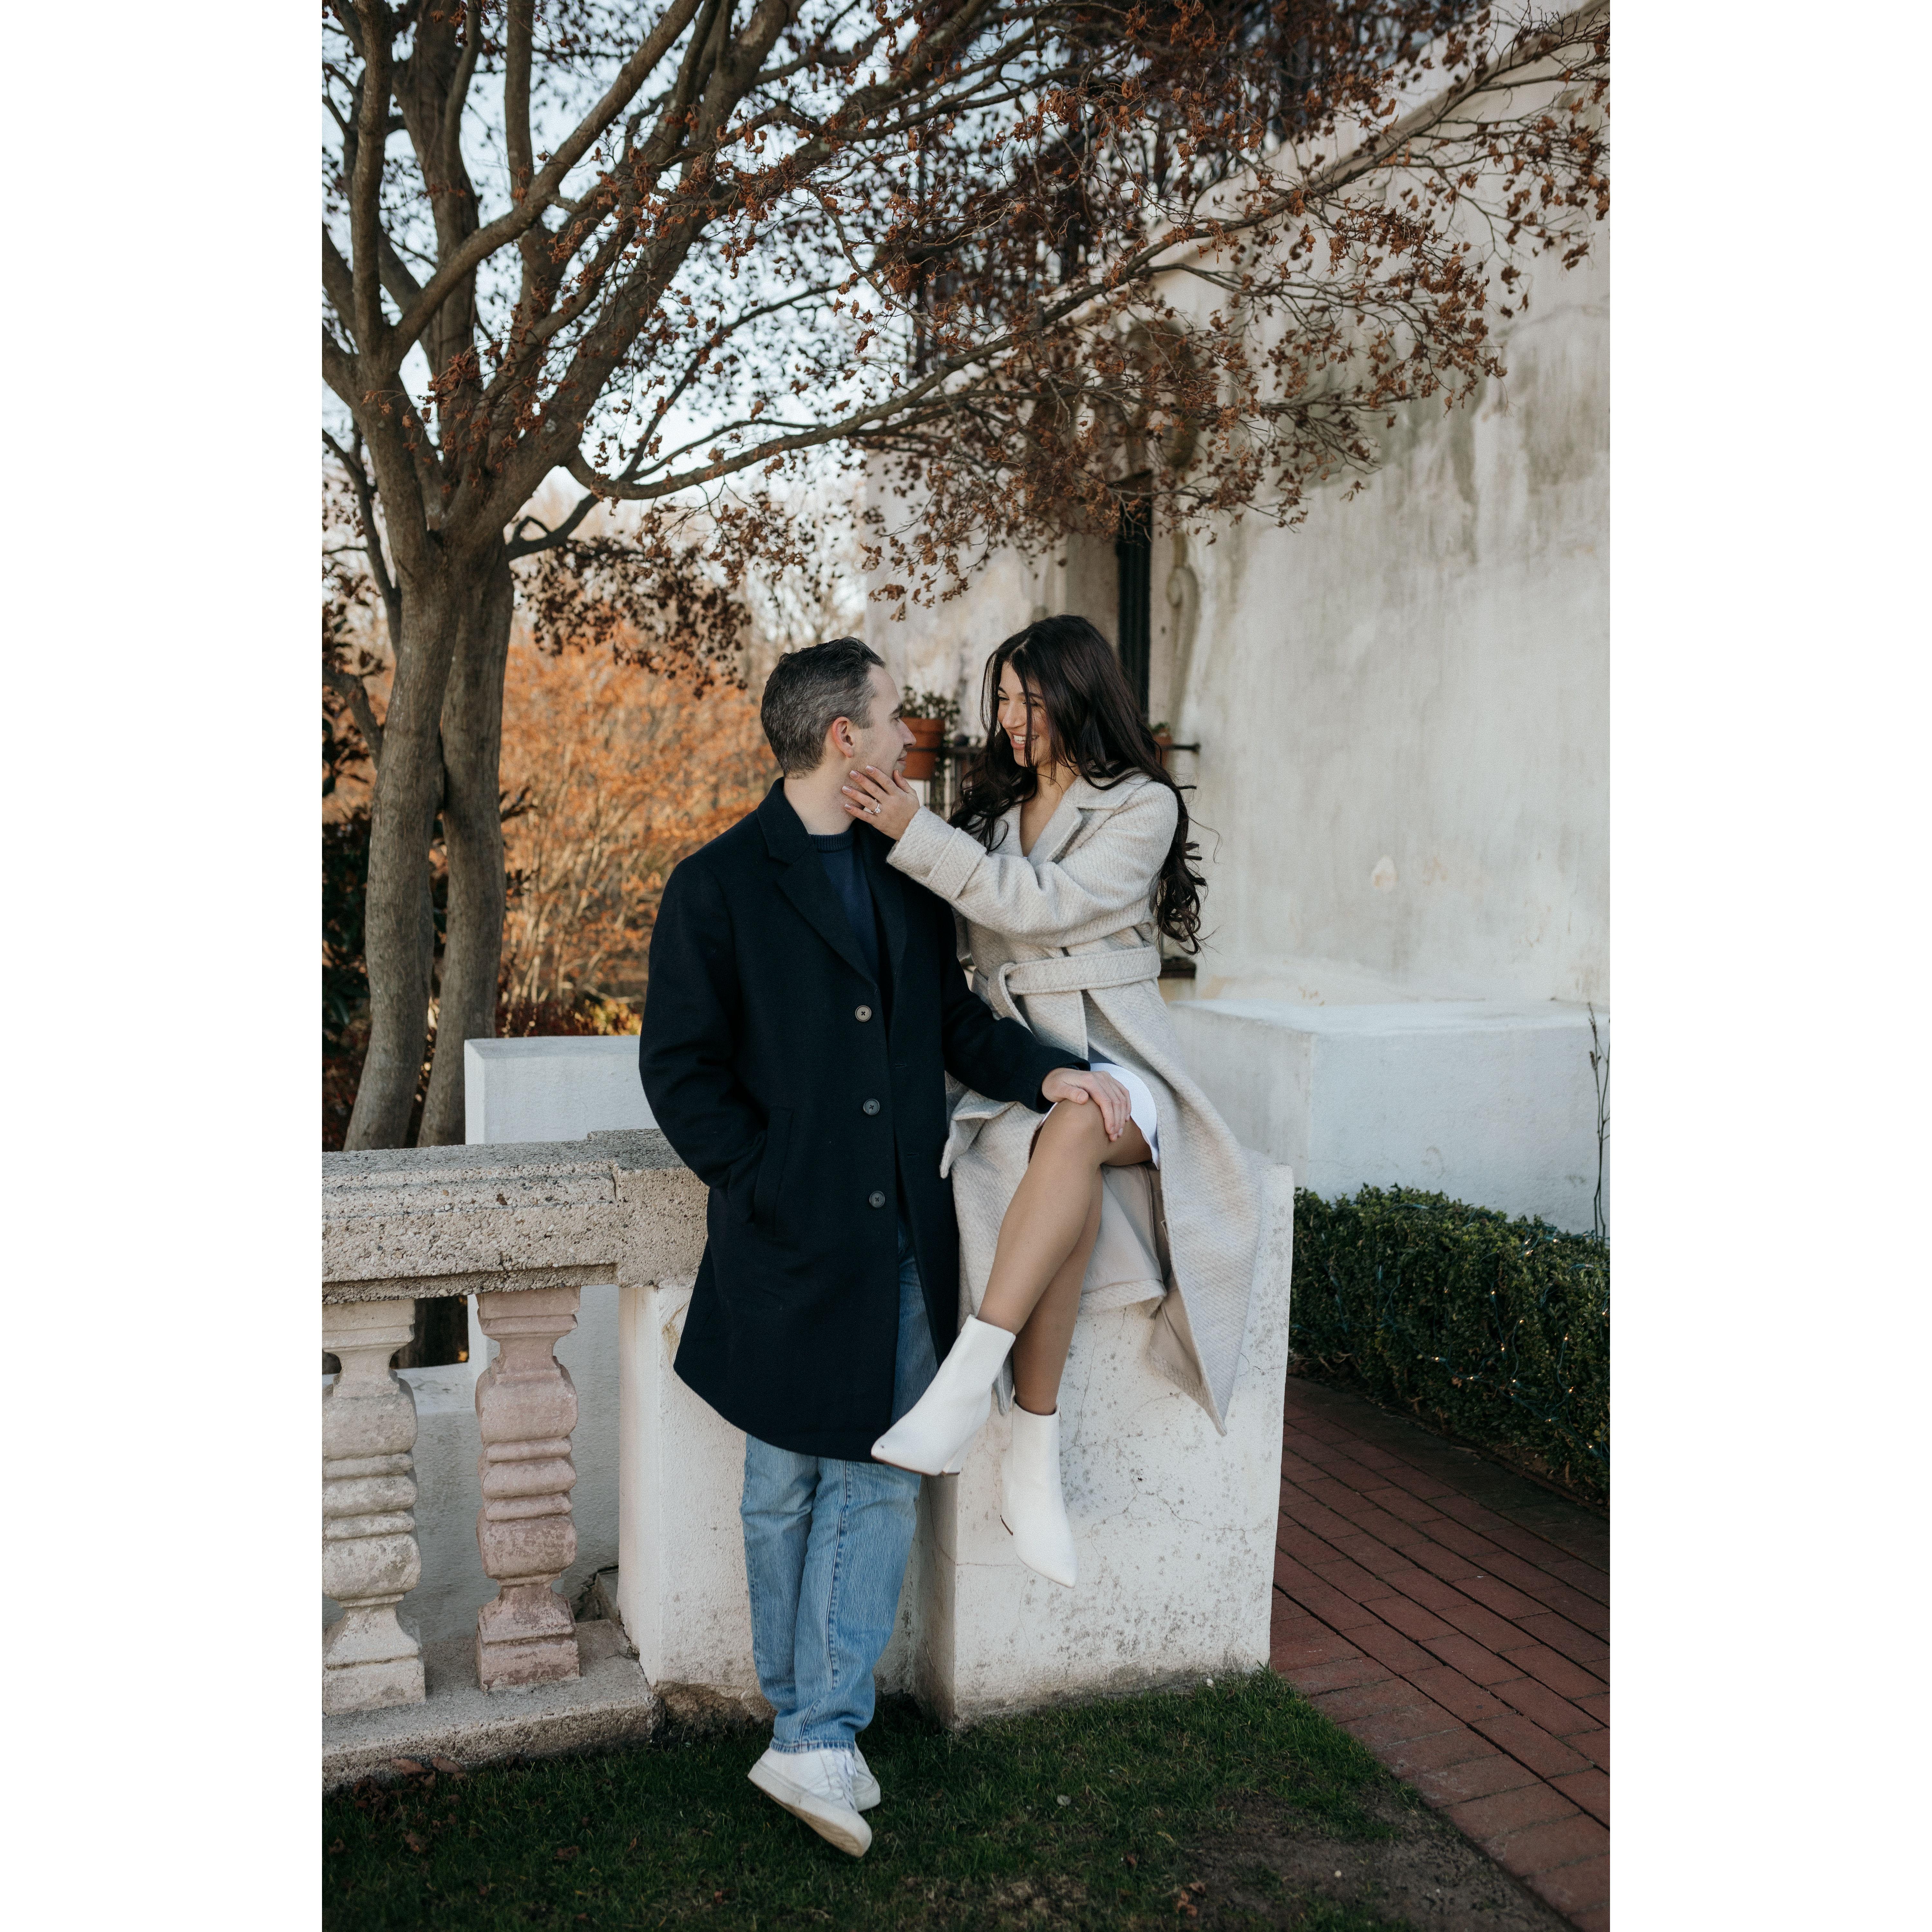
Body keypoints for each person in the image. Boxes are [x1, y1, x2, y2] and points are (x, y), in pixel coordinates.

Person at [639, 637, 1120, 1859]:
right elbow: (681, 1072)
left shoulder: (905, 865)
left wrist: (1051, 1076)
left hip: (903, 1228)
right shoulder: (715, 885)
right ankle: (800, 1723)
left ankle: (822, 1733)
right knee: (779, 1486)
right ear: (842, 736)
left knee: (878, 1476)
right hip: (781, 1239)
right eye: (896, 715)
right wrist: (762, 1181)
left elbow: (953, 1022)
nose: (916, 732)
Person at [847, 615, 1262, 1589]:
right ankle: (1033, 1454)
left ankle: (964, 1390)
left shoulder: (1141, 806)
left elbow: (1042, 908)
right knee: (1061, 1157)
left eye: (1029, 700)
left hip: (1125, 1057)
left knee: (1083, 1119)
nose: (1011, 719)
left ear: (1079, 697)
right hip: (1024, 1066)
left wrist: (916, 833)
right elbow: (953, 937)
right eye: (1002, 700)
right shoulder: (991, 813)